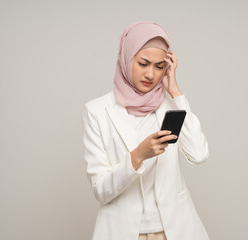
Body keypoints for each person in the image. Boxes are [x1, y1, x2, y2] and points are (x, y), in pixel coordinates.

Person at [83, 21, 210, 240]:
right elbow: (101, 190)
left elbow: (199, 155)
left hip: (174, 231)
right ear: (126, 58)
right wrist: (138, 155)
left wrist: (176, 92)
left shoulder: (171, 106)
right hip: (123, 233)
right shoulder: (97, 112)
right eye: (143, 63)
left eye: (159, 67)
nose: (150, 74)